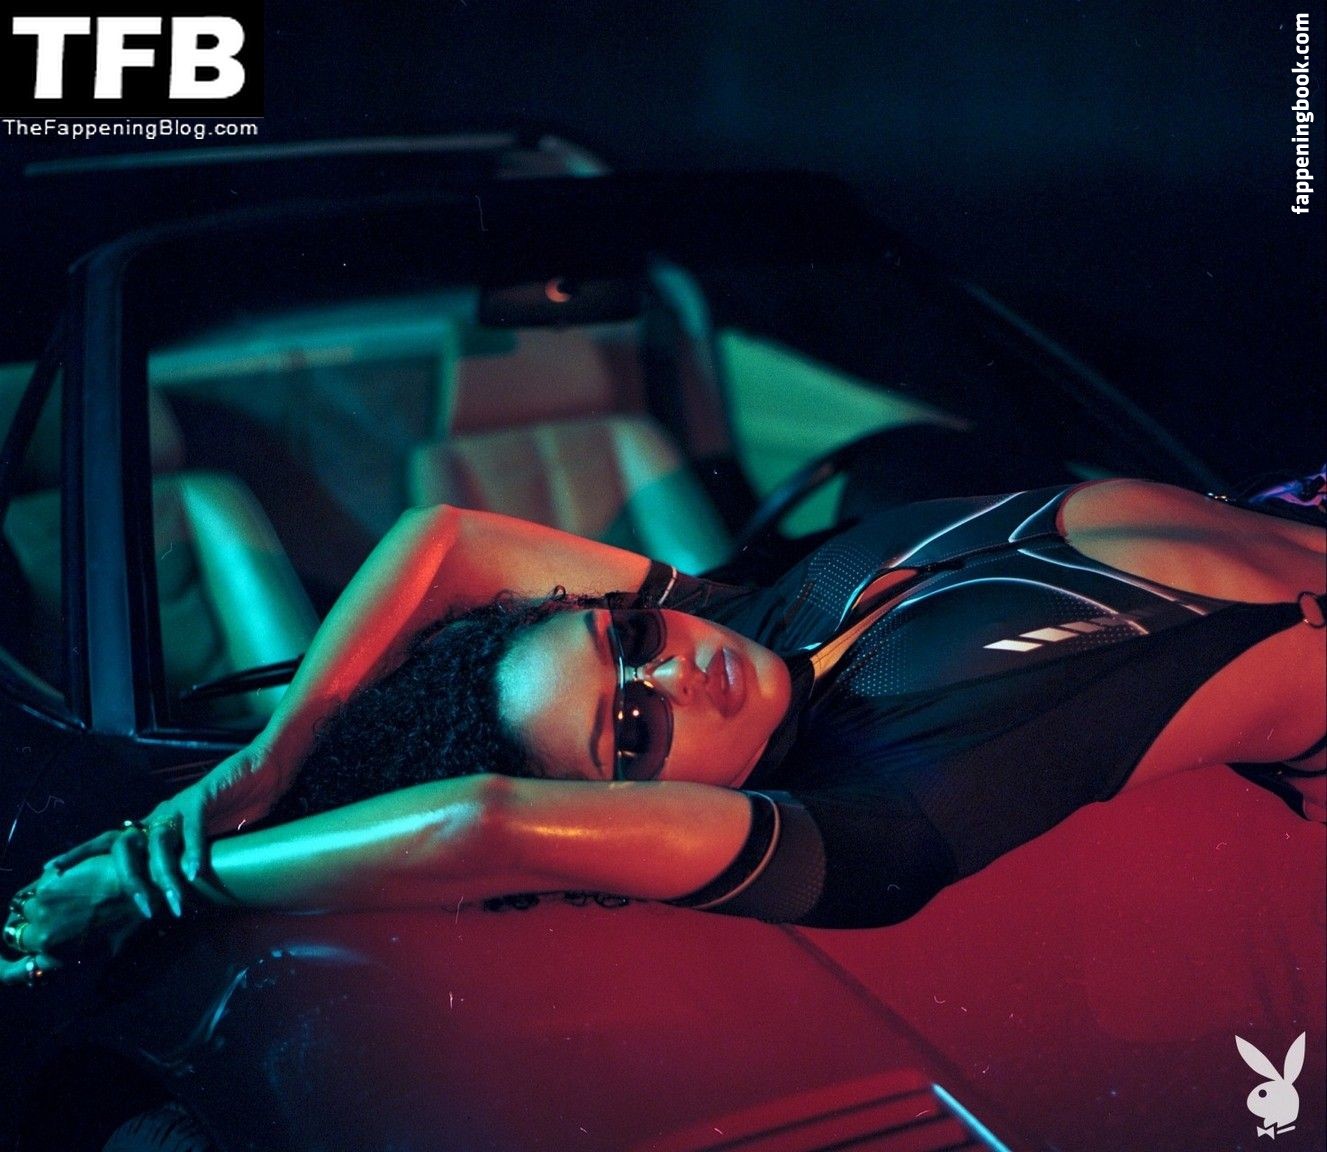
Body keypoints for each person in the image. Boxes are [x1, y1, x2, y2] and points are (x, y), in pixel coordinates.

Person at [3, 475, 1324, 987]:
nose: (678, 673)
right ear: (635, 811)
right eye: (634, 735)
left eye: (629, 639)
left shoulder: (763, 614)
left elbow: (447, 539)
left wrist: (268, 758)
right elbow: (486, 823)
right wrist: (152, 882)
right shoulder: (872, 822)